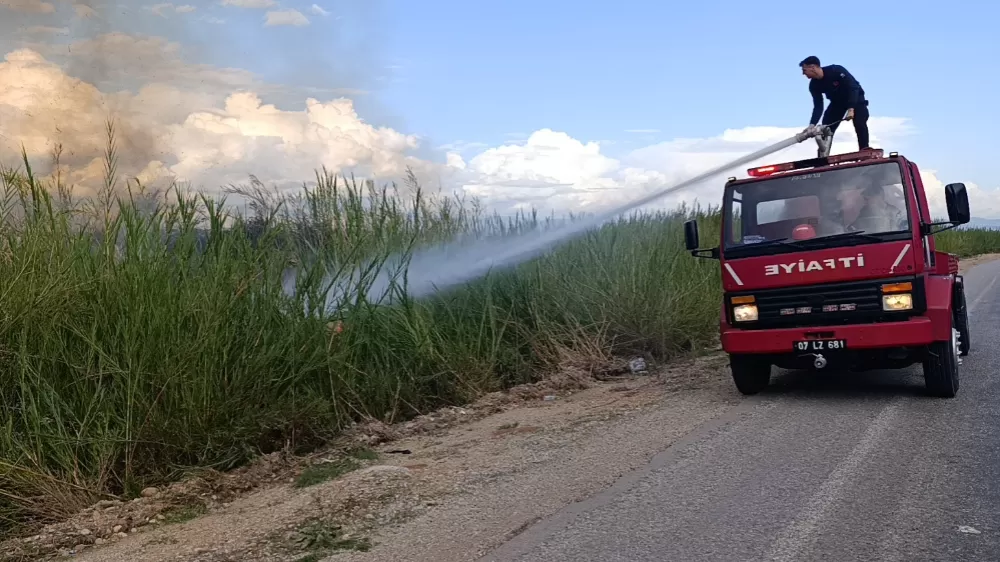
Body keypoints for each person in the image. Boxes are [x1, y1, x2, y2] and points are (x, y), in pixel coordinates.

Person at [799, 56, 871, 157]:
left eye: (804, 70)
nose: (803, 74)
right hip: (837, 103)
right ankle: (822, 157)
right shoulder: (813, 86)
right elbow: (818, 105)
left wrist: (851, 108)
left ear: (813, 67)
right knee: (825, 127)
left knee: (859, 122)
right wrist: (812, 124)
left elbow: (853, 88)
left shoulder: (836, 70)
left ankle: (864, 150)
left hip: (855, 98)